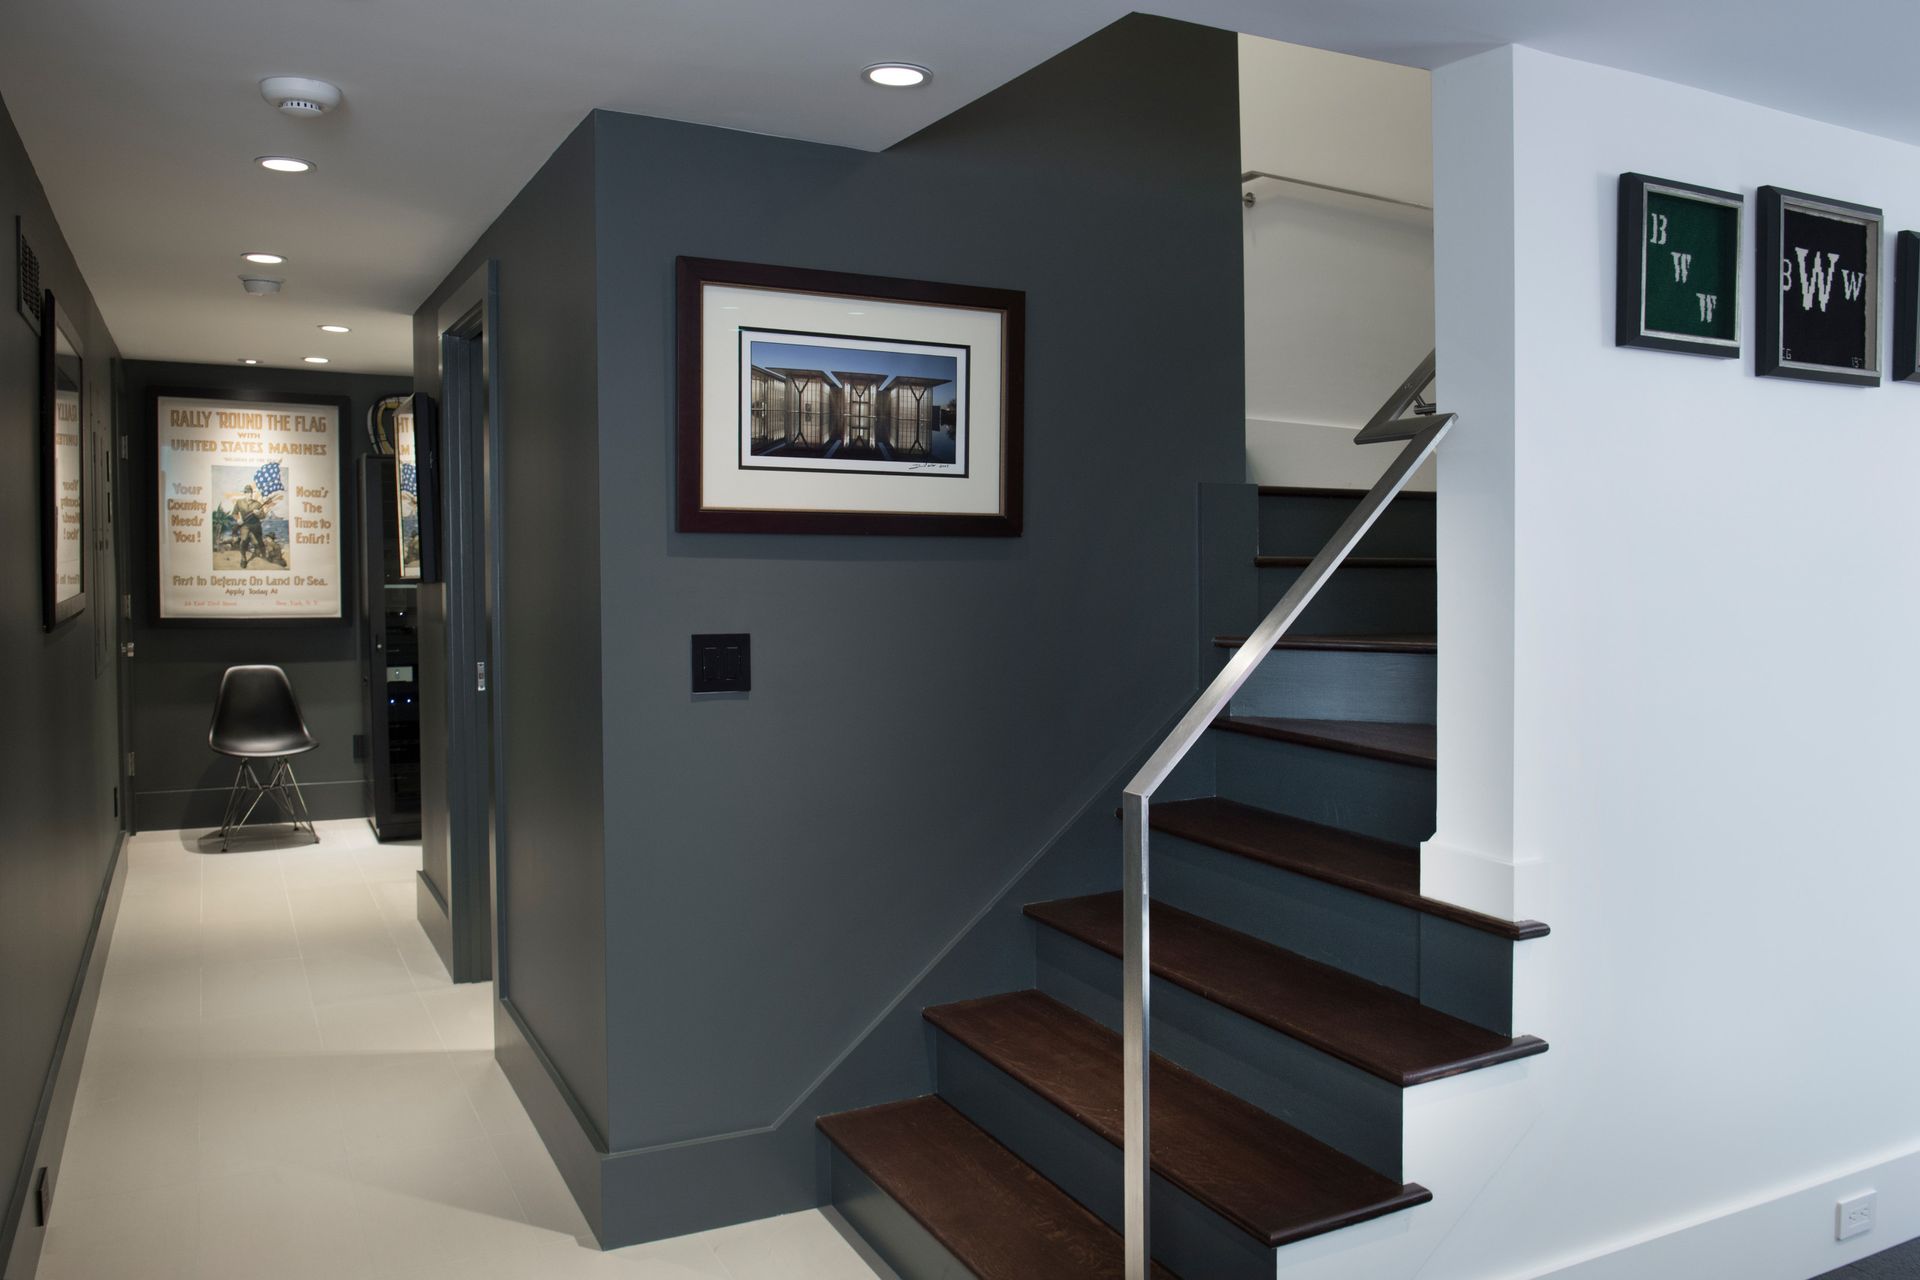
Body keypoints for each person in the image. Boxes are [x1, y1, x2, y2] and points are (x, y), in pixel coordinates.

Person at [228, 483, 273, 568]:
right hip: (245, 525)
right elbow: (234, 513)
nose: (250, 495)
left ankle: (263, 557)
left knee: (259, 542)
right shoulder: (239, 502)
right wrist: (238, 519)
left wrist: (258, 514)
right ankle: (243, 558)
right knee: (243, 540)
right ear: (244, 494)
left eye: (251, 493)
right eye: (248, 493)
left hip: (256, 525)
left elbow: (263, 516)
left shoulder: (257, 504)